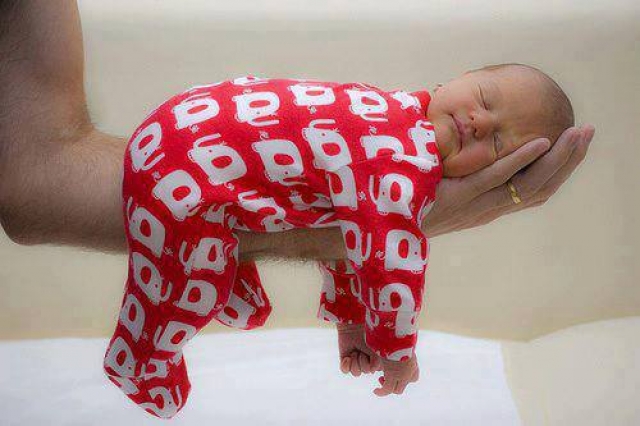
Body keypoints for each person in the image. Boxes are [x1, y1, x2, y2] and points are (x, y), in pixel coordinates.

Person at [0, 0, 594, 403]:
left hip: (178, 128)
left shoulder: (387, 109)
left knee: (250, 216)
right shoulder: (403, 164)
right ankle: (141, 361)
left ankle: (228, 282)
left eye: (498, 143)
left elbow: (343, 225)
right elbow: (388, 263)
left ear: (494, 172)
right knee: (179, 284)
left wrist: (350, 319)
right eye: (485, 96)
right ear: (455, 80)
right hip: (183, 177)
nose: (479, 121)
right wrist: (395, 351)